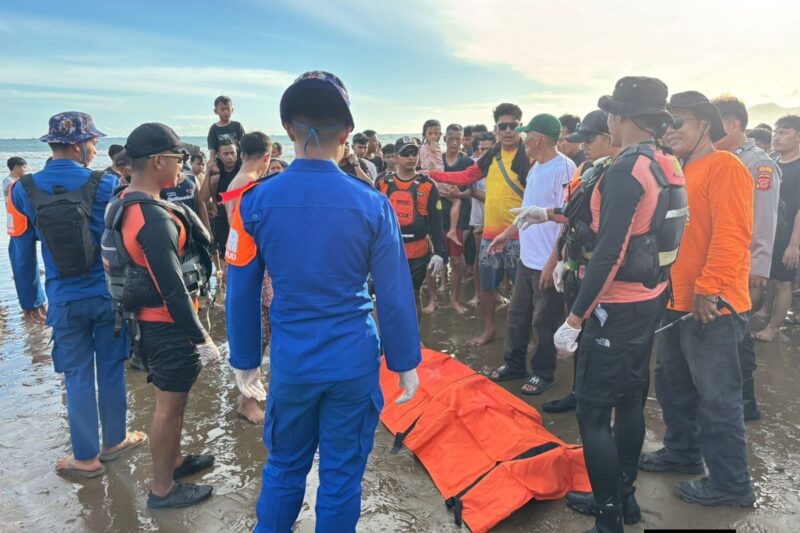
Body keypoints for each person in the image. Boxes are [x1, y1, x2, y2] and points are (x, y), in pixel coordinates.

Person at [225, 70, 421, 531]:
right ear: (347, 134)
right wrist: (405, 361)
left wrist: (246, 359)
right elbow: (394, 294)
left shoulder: (254, 203)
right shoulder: (373, 204)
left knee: (284, 468)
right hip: (352, 359)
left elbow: (241, 290)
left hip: (292, 362)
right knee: (340, 478)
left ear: (288, 130)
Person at [535, 78, 686, 532]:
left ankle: (608, 518)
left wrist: (576, 316)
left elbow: (611, 251)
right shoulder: (665, 161)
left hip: (612, 308)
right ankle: (625, 498)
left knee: (594, 413)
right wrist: (550, 215)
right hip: (649, 299)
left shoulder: (625, 170)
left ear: (622, 119)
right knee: (631, 401)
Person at [6, 112, 145, 478]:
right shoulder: (106, 184)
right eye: (93, 142)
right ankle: (114, 441)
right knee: (111, 370)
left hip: (64, 301)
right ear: (78, 144)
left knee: (77, 376)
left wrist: (29, 301)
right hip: (106, 297)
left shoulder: (22, 190)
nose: (95, 147)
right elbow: (125, 242)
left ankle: (85, 458)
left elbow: (20, 252)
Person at [639, 91, 755, 509]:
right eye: (668, 123)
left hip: (712, 306)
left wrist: (711, 288)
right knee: (673, 386)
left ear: (706, 124)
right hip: (677, 301)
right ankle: (682, 452)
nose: (671, 131)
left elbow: (732, 233)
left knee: (718, 398)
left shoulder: (724, 166)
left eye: (680, 122)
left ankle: (731, 484)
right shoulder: (682, 168)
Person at [105, 122, 220, 508]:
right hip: (166, 326)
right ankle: (162, 488)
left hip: (152, 323)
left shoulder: (127, 200)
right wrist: (200, 337)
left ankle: (173, 461)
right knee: (169, 405)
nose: (182, 167)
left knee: (175, 400)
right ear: (157, 161)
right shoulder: (151, 218)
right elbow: (171, 287)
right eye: (178, 159)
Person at [429, 103, 531, 346]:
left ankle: (527, 336)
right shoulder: (494, 154)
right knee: (486, 287)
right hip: (490, 235)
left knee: (524, 291)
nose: (507, 131)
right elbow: (467, 176)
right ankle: (489, 330)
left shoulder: (528, 155)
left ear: (520, 126)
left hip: (520, 235)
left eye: (513, 126)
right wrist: (432, 174)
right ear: (496, 128)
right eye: (502, 126)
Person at [486, 114, 574, 396]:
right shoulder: (536, 166)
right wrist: (507, 233)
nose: (523, 140)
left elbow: (568, 218)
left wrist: (553, 262)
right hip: (527, 258)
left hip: (547, 261)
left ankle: (544, 373)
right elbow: (527, 210)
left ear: (538, 138)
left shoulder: (565, 169)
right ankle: (513, 364)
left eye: (526, 135)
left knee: (544, 322)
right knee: (517, 315)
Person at [542, 109, 621, 415]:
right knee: (583, 342)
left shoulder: (620, 174)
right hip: (580, 266)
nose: (584, 144)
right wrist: (562, 259)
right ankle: (579, 392)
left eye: (590, 138)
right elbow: (572, 217)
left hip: (607, 277)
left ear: (610, 135)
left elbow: (613, 242)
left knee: (601, 344)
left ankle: (597, 404)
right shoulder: (588, 169)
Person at [713, 95, 781, 421]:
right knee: (724, 336)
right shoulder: (720, 158)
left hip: (744, 265)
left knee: (738, 337)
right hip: (724, 261)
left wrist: (759, 267)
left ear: (733, 124)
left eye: (715, 125)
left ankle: (746, 402)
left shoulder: (759, 164)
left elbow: (764, 220)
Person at [376, 136, 446, 319]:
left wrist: (440, 252)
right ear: (396, 157)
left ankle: (415, 339)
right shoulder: (382, 183)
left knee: (414, 294)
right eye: (405, 153)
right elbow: (374, 220)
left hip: (417, 252)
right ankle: (384, 339)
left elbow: (437, 223)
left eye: (414, 153)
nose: (410, 157)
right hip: (389, 251)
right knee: (385, 296)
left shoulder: (428, 185)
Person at [753, 115, 800, 343]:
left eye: (784, 133)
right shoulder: (772, 161)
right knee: (769, 278)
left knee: (783, 282)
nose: (776, 136)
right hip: (768, 230)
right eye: (776, 132)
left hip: (789, 233)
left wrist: (794, 244)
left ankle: (774, 327)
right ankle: (765, 309)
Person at [424, 124, 472, 314]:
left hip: (458, 219)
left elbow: (472, 191)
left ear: (462, 139)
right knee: (431, 261)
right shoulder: (438, 159)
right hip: (434, 218)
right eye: (450, 138)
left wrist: (459, 194)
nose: (454, 142)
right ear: (445, 139)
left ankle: (453, 299)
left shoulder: (467, 162)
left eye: (458, 139)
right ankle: (433, 300)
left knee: (457, 261)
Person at [200, 138, 242, 261]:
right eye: (226, 154)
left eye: (233, 153)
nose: (230, 157)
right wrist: (208, 173)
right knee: (226, 255)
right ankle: (225, 277)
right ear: (218, 155)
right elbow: (202, 198)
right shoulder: (216, 171)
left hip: (240, 216)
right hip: (221, 216)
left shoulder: (242, 168)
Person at [466, 132, 495, 306]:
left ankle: (497, 293)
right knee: (480, 258)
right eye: (481, 149)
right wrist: (497, 197)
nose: (485, 153)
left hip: (503, 219)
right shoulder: (475, 165)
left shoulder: (505, 166)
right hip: (481, 219)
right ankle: (478, 294)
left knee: (504, 259)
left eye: (488, 149)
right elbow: (472, 191)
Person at [207, 95, 245, 174]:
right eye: (222, 109)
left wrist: (245, 159)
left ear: (232, 110)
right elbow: (212, 148)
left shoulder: (237, 125)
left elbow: (244, 144)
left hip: (237, 161)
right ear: (216, 111)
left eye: (228, 109)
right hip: (221, 163)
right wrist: (212, 162)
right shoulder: (214, 128)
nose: (226, 112)